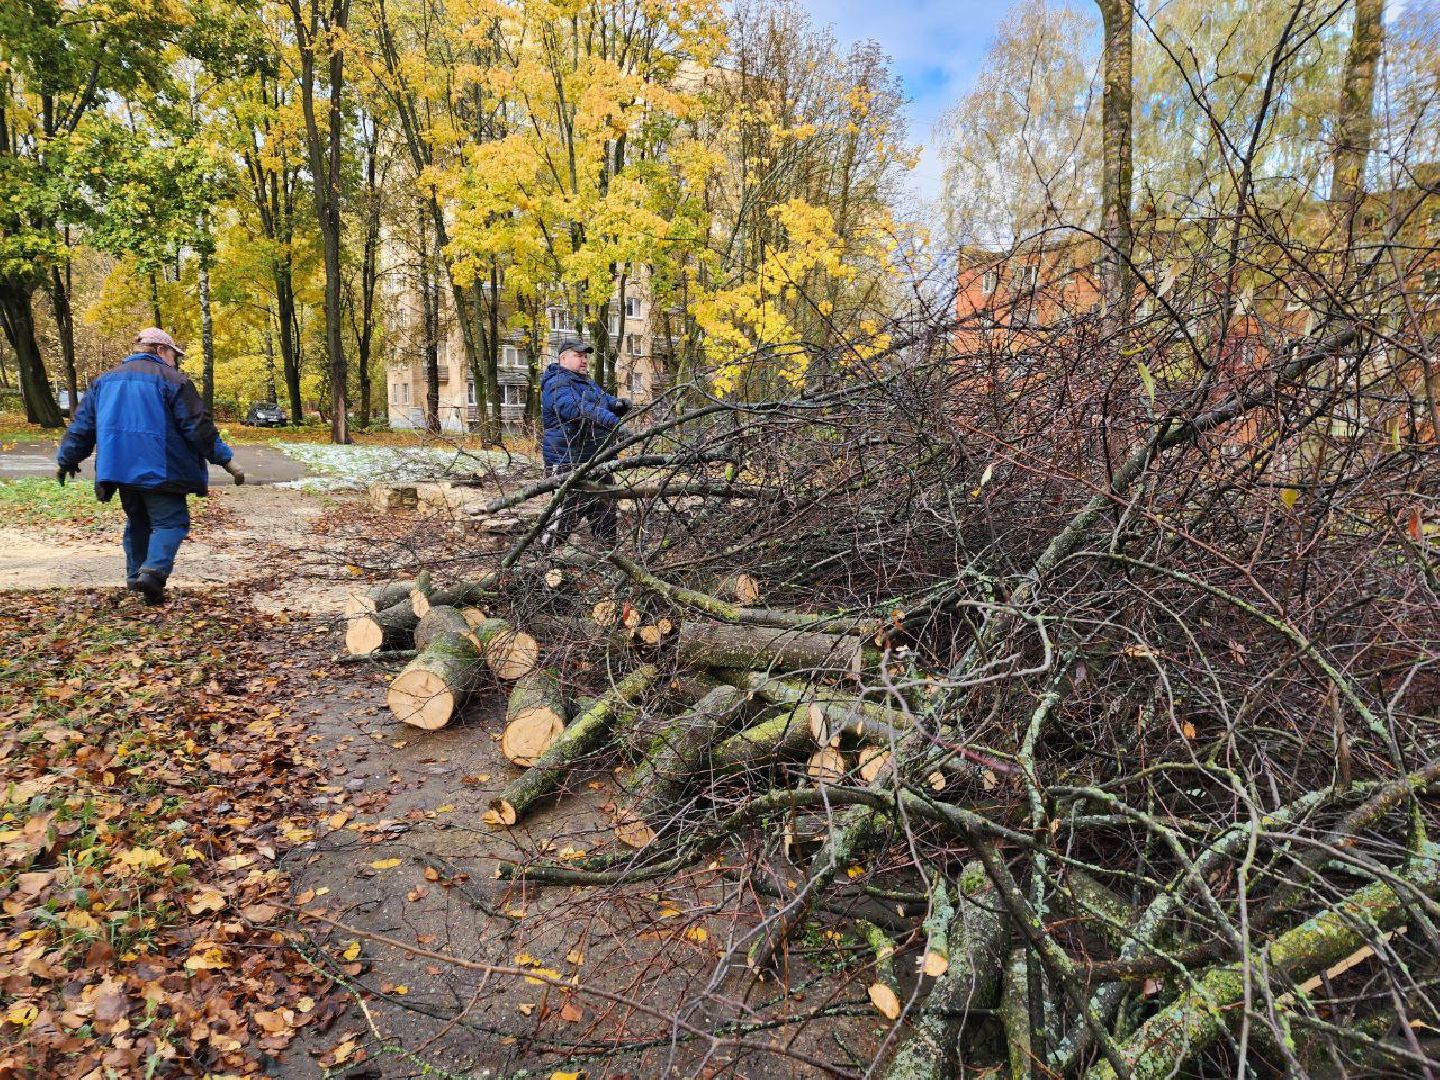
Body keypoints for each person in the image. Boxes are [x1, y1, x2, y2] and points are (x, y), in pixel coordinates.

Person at [56, 327, 244, 606]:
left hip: (119, 470)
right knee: (171, 522)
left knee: (138, 523)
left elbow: (82, 427)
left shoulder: (103, 382)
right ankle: (153, 574)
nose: (175, 360)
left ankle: (136, 580)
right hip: (162, 469)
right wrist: (228, 461)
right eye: (173, 354)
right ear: (159, 350)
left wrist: (67, 459)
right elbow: (198, 428)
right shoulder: (173, 380)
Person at [538, 338, 632, 550]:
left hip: (596, 460)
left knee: (606, 514)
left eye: (585, 356)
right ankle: (539, 563)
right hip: (567, 462)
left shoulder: (587, 383)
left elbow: (604, 402)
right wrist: (615, 424)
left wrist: (619, 405)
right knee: (564, 518)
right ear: (563, 358)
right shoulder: (556, 384)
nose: (584, 360)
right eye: (578, 355)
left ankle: (608, 562)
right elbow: (578, 410)